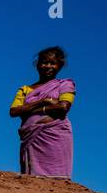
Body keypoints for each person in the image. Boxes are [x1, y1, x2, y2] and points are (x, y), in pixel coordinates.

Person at [10, 46, 76, 178]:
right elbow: (14, 111)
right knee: (32, 177)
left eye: (53, 63)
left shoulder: (65, 85)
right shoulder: (25, 89)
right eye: (44, 62)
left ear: (60, 66)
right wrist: (43, 102)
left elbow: (63, 107)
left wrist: (30, 109)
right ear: (37, 65)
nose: (48, 66)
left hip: (56, 135)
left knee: (57, 177)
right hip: (31, 137)